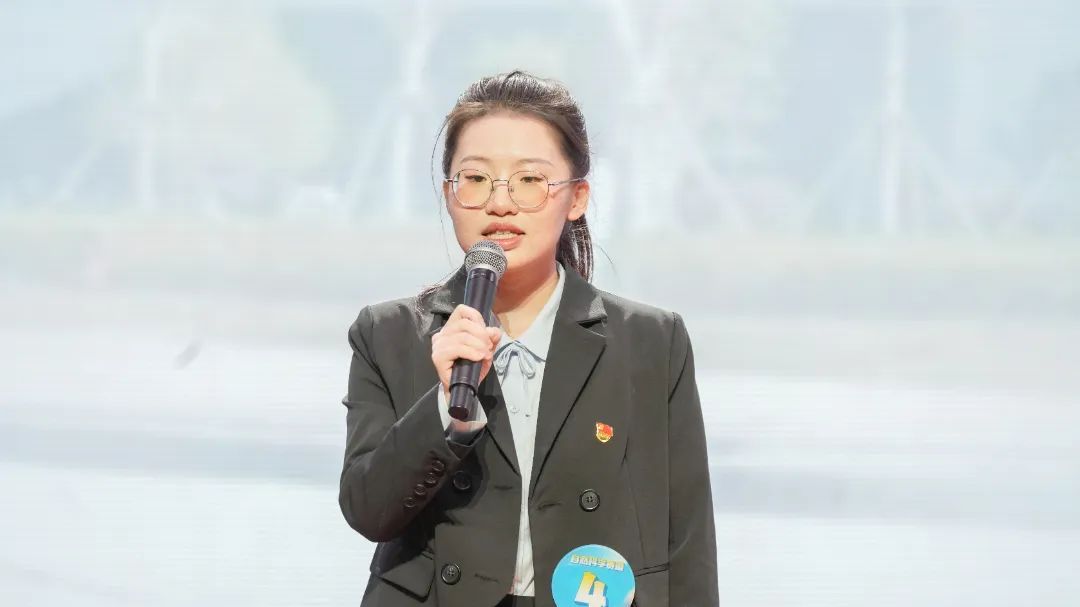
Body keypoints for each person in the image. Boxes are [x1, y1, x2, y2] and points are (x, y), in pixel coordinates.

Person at [338, 70, 717, 607]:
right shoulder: (388, 334)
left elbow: (687, 539)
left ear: (577, 197)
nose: (501, 203)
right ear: (449, 195)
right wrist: (446, 408)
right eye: (475, 179)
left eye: (530, 180)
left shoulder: (651, 342)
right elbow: (368, 509)